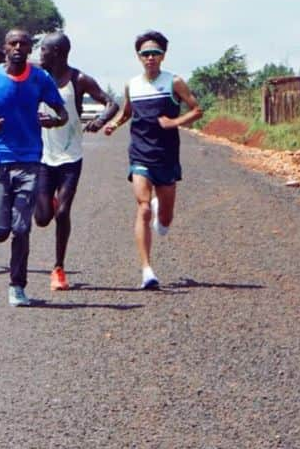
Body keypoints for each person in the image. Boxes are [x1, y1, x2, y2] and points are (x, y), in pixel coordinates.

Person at [0, 28, 68, 307]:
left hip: (29, 160)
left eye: (23, 44)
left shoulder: (40, 79)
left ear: (29, 49)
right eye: (12, 43)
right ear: (5, 47)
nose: (17, 48)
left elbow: (61, 112)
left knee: (22, 227)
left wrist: (54, 121)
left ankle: (17, 285)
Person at [103, 30, 202, 290]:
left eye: (155, 53)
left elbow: (197, 110)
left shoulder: (174, 82)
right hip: (140, 153)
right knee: (143, 207)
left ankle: (162, 212)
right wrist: (114, 125)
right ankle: (147, 270)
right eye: (145, 54)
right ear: (138, 57)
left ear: (163, 56)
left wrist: (174, 122)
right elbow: (126, 112)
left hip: (167, 155)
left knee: (165, 220)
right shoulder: (132, 84)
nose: (150, 58)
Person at [34, 31, 119, 292]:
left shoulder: (78, 80)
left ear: (57, 53)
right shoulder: (39, 75)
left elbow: (111, 103)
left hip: (71, 157)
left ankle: (58, 268)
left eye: (44, 50)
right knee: (42, 218)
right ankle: (49, 200)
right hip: (44, 158)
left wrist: (101, 120)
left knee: (62, 213)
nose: (40, 54)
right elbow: (3, 58)